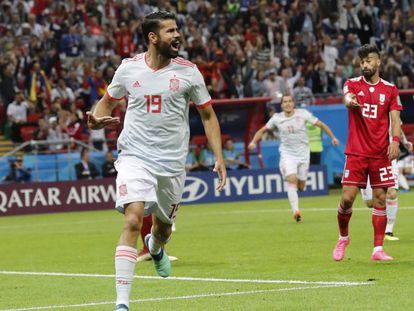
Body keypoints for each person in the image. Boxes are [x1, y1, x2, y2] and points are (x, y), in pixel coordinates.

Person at [87, 11, 227, 311]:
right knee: (133, 218)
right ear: (153, 38)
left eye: (177, 30)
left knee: (162, 231)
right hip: (134, 156)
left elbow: (207, 115)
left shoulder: (189, 72)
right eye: (169, 31)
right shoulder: (128, 69)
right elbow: (107, 102)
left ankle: (155, 247)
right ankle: (122, 303)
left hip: (172, 164)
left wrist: (218, 156)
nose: (176, 35)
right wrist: (96, 120)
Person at [332, 44, 402, 262]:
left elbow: (395, 119)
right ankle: (343, 237)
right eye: (362, 61)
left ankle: (377, 249)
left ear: (378, 61)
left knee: (381, 199)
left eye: (369, 60)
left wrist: (396, 141)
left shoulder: (390, 89)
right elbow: (346, 98)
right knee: (347, 199)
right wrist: (350, 102)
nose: (365, 65)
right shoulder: (352, 84)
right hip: (356, 152)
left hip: (380, 153)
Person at [248, 94, 339, 222]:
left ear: (293, 103)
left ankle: (298, 190)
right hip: (287, 154)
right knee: (292, 179)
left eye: (290, 101)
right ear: (281, 105)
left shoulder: (303, 114)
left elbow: (321, 125)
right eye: (285, 102)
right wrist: (253, 142)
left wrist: (333, 137)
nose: (288, 104)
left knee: (301, 185)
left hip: (303, 154)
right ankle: (296, 211)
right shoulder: (276, 118)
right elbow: (262, 130)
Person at [361, 128, 413, 241]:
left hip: (388, 155)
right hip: (367, 154)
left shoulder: (391, 111)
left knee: (392, 193)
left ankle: (388, 231)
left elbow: (397, 125)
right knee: (370, 202)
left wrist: (404, 142)